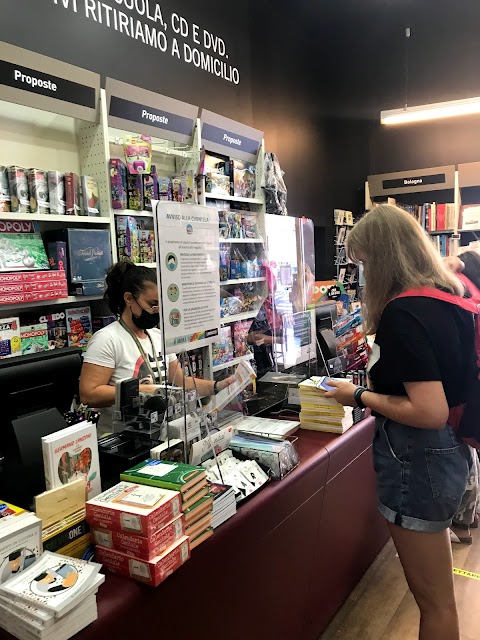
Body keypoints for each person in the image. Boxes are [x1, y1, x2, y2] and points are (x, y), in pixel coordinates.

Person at [325, 205, 473, 640]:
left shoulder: (403, 313)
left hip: (420, 459)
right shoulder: (450, 294)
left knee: (434, 604)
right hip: (447, 454)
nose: (363, 275)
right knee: (438, 590)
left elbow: (429, 411)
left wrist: (357, 395)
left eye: (365, 263)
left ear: (384, 257)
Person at [80, 261, 234, 434]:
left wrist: (218, 386)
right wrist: (141, 390)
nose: (157, 311)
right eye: (152, 304)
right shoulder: (107, 339)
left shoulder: (157, 336)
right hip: (122, 441)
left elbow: (181, 382)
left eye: (160, 305)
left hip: (159, 436)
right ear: (129, 299)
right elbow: (89, 394)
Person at [444, 251, 480, 544]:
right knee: (468, 450)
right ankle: (470, 517)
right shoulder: (470, 284)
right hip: (470, 383)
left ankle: (462, 522)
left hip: (465, 387)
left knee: (461, 451)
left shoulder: (457, 284)